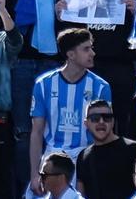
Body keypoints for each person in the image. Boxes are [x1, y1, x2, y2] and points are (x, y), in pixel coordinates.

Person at [28, 29, 112, 195]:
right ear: (71, 55)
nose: (93, 53)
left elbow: (106, 132)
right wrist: (34, 173)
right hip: (52, 159)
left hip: (86, 157)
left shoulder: (101, 87)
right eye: (86, 49)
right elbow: (36, 132)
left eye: (91, 48)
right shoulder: (43, 85)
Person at [75, 100, 136, 199]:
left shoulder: (133, 149)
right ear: (86, 123)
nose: (101, 122)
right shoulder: (83, 156)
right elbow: (80, 195)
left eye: (106, 118)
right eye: (95, 118)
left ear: (113, 122)